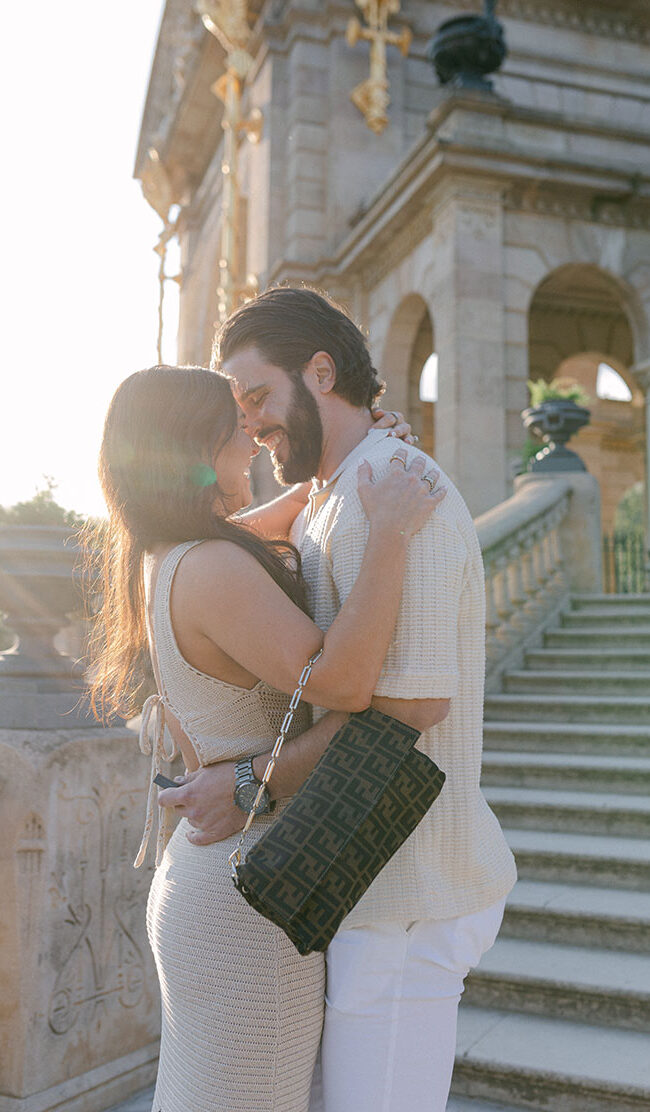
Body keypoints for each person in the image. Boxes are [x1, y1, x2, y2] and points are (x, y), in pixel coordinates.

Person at [160, 287, 518, 1112]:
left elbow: (411, 708)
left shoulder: (400, 490)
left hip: (408, 892)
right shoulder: (334, 494)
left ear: (320, 372)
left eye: (257, 397)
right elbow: (209, 542)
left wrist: (250, 780)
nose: (248, 424)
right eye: (239, 407)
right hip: (356, 880)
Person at [88, 362, 445, 1112]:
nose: (252, 439)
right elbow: (343, 684)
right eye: (235, 430)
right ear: (193, 447)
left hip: (215, 879)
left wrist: (351, 459)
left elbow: (285, 511)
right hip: (249, 897)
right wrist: (388, 532)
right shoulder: (212, 565)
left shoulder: (163, 555)